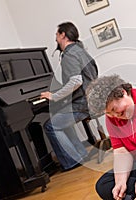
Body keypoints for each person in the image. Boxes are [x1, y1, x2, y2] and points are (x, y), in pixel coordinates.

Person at [40, 22, 98, 171]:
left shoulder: (70, 54)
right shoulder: (80, 50)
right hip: (90, 100)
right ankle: (80, 154)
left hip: (83, 103)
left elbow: (76, 81)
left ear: (63, 35)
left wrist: (54, 96)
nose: (56, 38)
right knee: (59, 118)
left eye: (57, 35)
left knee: (51, 126)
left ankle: (71, 161)